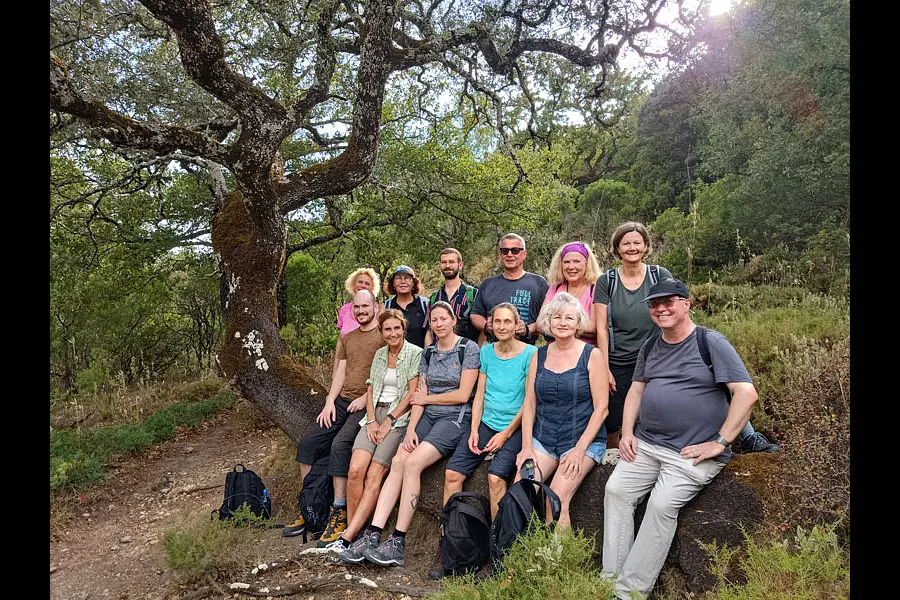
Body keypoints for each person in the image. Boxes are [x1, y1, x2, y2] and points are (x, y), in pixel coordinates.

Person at [601, 277, 759, 600]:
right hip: (647, 445)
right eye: (655, 304)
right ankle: (610, 578)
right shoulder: (651, 346)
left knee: (660, 505)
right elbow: (636, 391)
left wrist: (720, 441)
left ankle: (629, 593)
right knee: (616, 490)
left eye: (668, 302)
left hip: (691, 452)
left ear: (686, 304)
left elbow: (746, 393)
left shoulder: (709, 342)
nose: (661, 309)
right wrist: (628, 432)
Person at [592, 222, 776, 462]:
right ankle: (629, 461)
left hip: (662, 352)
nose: (632, 247)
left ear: (646, 246)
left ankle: (748, 435)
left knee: (710, 381)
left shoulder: (659, 275)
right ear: (617, 248)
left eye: (637, 242)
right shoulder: (608, 281)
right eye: (626, 243)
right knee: (615, 419)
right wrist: (605, 368)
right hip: (621, 359)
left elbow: (677, 310)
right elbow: (601, 327)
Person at [338, 301, 480, 567]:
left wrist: (427, 400)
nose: (438, 324)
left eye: (443, 319)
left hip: (455, 418)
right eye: (434, 320)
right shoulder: (428, 353)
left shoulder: (467, 349)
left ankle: (398, 541)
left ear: (452, 320)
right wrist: (412, 428)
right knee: (399, 460)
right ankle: (373, 533)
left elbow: (463, 395)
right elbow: (417, 398)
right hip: (425, 416)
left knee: (413, 463)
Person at [283, 289, 385, 540]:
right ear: (352, 309)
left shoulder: (383, 335)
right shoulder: (348, 337)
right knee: (309, 444)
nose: (361, 311)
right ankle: (310, 504)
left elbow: (388, 371)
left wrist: (365, 398)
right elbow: (340, 371)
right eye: (357, 307)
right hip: (342, 401)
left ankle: (338, 509)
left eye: (365, 306)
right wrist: (329, 401)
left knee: (340, 446)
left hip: (367, 403)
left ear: (375, 307)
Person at [320, 309, 422, 552]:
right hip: (373, 415)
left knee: (373, 474)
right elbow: (371, 389)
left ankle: (349, 537)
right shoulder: (379, 355)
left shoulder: (414, 353)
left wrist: (388, 421)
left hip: (398, 418)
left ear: (404, 329)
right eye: (388, 329)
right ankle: (352, 533)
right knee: (355, 470)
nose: (393, 333)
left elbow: (411, 394)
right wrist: (373, 421)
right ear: (382, 332)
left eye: (397, 328)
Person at [516, 292, 609, 530]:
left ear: (578, 322)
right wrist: (527, 447)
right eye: (557, 317)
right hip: (543, 441)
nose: (563, 323)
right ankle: (514, 555)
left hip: (581, 441)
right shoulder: (539, 354)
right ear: (548, 322)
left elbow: (602, 409)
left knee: (554, 499)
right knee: (520, 492)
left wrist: (579, 451)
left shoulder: (592, 355)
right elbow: (529, 403)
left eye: (569, 318)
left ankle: (558, 561)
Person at [470, 233, 549, 346]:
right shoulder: (488, 284)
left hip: (526, 350)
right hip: (493, 348)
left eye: (515, 250)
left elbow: (546, 319)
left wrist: (528, 329)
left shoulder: (539, 283)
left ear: (524, 254)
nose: (510, 254)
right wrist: (486, 325)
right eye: (505, 251)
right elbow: (475, 315)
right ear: (500, 254)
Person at [538, 241, 603, 346]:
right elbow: (540, 324)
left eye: (577, 261)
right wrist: (575, 327)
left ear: (587, 264)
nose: (571, 267)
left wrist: (556, 327)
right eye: (566, 262)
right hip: (553, 353)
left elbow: (593, 327)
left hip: (584, 354)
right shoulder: (556, 288)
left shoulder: (596, 289)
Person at [424, 247, 479, 345]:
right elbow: (429, 331)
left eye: (451, 262)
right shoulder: (434, 298)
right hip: (440, 356)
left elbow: (482, 330)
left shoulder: (473, 295)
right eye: (444, 262)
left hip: (466, 355)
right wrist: (428, 355)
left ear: (460, 265)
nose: (447, 265)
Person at [333, 268, 380, 377]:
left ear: (372, 288)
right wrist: (335, 370)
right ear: (353, 285)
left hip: (368, 368)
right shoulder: (344, 310)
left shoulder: (377, 311)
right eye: (360, 282)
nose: (363, 285)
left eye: (367, 283)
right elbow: (341, 341)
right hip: (346, 366)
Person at [383, 265, 430, 348]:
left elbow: (430, 333)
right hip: (395, 357)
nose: (403, 281)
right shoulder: (387, 306)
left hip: (420, 357)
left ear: (413, 283)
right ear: (393, 283)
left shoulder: (425, 304)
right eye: (398, 278)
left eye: (407, 278)